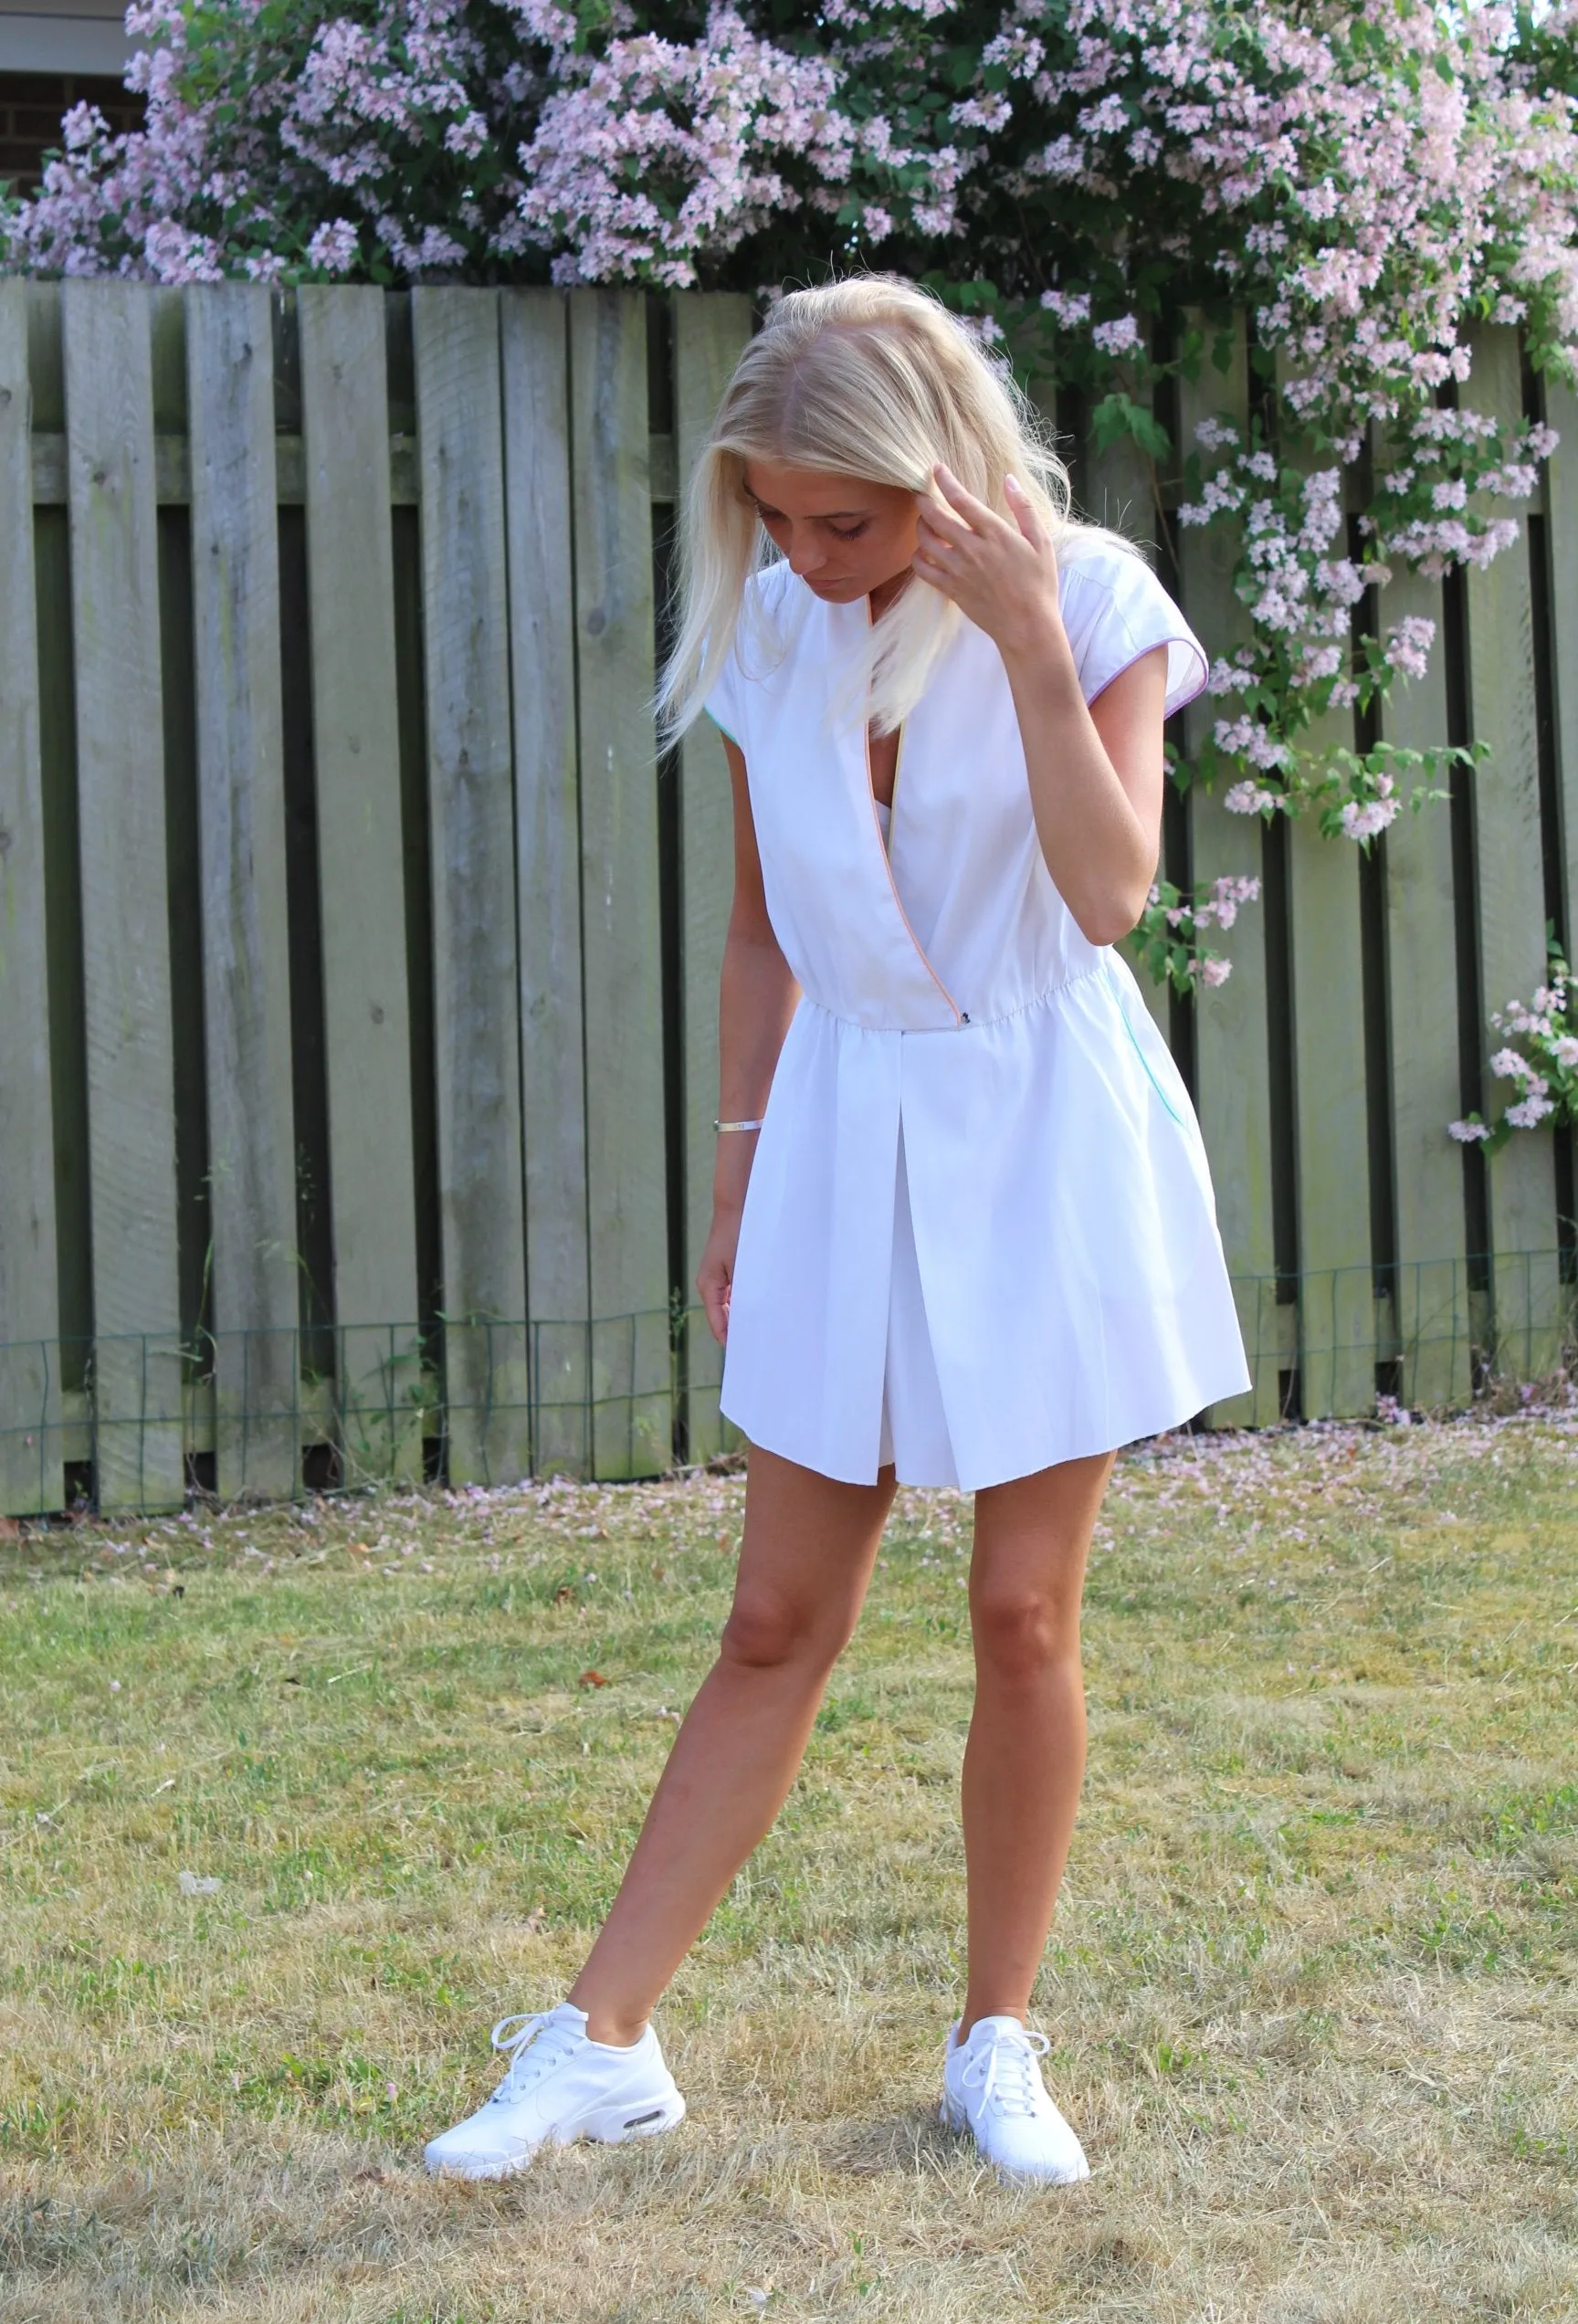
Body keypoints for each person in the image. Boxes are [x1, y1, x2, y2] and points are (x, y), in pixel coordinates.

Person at [424, 275, 1249, 2188]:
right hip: (838, 1128)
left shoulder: (1098, 599)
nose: (808, 554)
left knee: (1023, 1611)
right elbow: (760, 928)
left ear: (941, 473)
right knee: (775, 1612)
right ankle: (604, 2046)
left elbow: (1113, 896)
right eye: (779, 516)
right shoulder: (770, 624)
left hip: (1040, 1120)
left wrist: (1031, 637)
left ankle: (996, 2046)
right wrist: (737, 1168)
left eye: (846, 522)